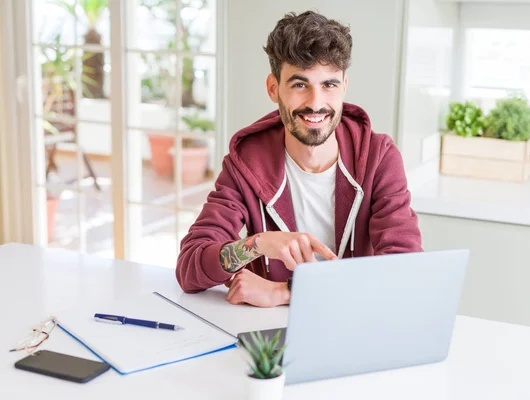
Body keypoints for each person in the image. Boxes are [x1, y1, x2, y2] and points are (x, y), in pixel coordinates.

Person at [176, 10, 422, 307]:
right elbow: (189, 270)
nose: (316, 103)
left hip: (357, 326)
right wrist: (257, 244)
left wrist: (285, 293)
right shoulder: (245, 164)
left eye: (328, 84)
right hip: (268, 333)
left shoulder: (379, 158)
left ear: (344, 86)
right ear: (273, 88)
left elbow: (404, 274)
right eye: (299, 84)